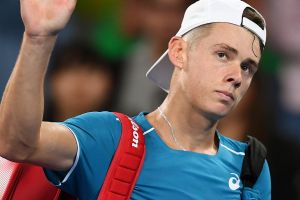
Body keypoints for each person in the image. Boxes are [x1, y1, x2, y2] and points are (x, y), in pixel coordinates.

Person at [0, 0, 271, 199]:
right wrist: (38, 38)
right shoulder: (110, 137)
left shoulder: (251, 166)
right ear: (178, 52)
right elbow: (16, 144)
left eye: (248, 66)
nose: (237, 75)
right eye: (222, 54)